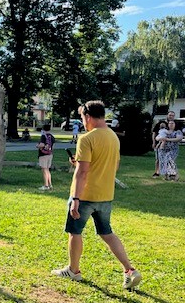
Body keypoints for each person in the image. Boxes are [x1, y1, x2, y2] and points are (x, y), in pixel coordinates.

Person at [52, 100, 142, 290]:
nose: (83, 122)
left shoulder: (87, 139)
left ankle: (73, 270)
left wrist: (75, 199)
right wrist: (80, 162)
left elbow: (82, 172)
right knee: (107, 233)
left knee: (75, 232)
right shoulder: (113, 137)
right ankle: (129, 270)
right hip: (105, 195)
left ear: (88, 116)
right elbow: (112, 165)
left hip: (85, 195)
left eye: (82, 118)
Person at [151, 111, 176, 177]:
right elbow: (154, 133)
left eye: (172, 115)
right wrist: (153, 142)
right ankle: (157, 172)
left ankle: (170, 173)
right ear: (167, 115)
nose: (171, 116)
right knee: (158, 159)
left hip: (169, 145)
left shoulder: (174, 124)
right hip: (159, 144)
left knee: (170, 159)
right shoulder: (161, 123)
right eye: (170, 115)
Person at [37, 124, 55, 191]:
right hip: (50, 154)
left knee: (44, 170)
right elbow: (53, 146)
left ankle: (46, 185)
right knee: (47, 169)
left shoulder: (43, 136)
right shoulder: (52, 137)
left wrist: (37, 146)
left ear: (43, 129)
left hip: (43, 155)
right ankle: (50, 185)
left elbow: (42, 145)